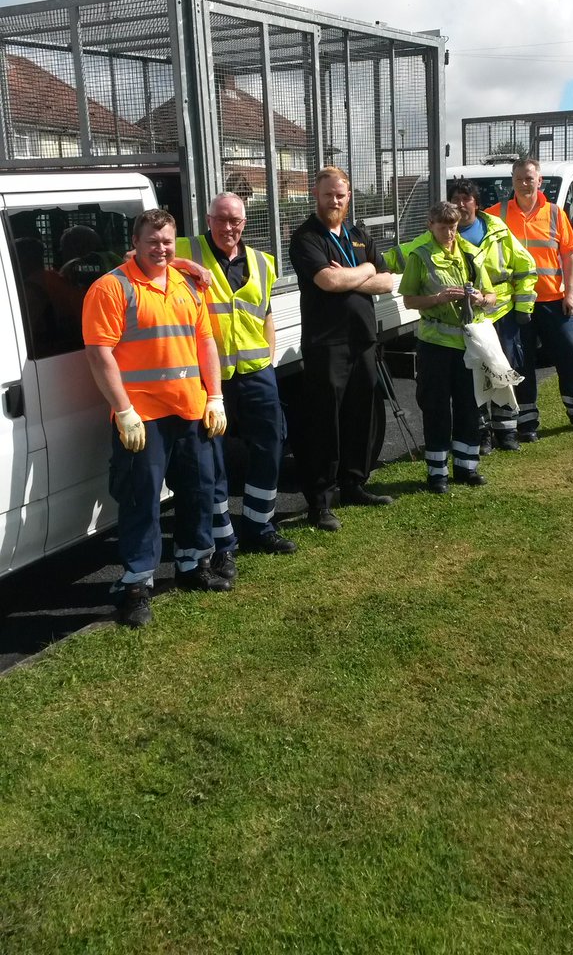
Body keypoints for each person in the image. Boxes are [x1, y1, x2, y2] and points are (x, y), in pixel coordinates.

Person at [82, 208, 230, 629]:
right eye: (153, 242)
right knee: (140, 502)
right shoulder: (112, 288)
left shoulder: (188, 283)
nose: (161, 249)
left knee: (199, 490)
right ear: (136, 241)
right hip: (142, 417)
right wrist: (123, 410)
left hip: (189, 409)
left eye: (168, 241)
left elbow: (205, 342)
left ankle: (192, 565)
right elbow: (99, 353)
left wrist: (215, 396)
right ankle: (136, 586)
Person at [173, 192, 296, 558]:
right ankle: (222, 540)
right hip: (210, 379)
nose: (230, 227)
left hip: (258, 373)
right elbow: (137, 260)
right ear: (208, 219)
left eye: (236, 221)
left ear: (245, 222)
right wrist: (187, 265)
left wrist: (269, 362)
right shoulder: (186, 250)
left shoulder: (260, 261)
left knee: (269, 447)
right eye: (222, 219)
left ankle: (260, 526)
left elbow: (266, 316)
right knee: (212, 459)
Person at [289, 166, 395, 532]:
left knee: (360, 415)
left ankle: (354, 484)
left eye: (341, 195)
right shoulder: (306, 237)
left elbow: (386, 282)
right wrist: (364, 271)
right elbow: (328, 280)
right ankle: (320, 502)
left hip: (363, 338)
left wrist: (360, 270)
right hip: (327, 344)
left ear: (349, 197)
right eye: (328, 194)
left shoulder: (359, 234)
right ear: (315, 196)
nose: (335, 200)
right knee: (324, 423)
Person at [485, 158, 573, 439]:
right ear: (512, 182)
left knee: (570, 349)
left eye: (529, 178)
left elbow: (568, 254)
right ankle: (526, 422)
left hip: (553, 299)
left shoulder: (554, 213)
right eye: (519, 179)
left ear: (539, 181)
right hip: (514, 303)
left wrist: (571, 293)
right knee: (520, 361)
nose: (524, 183)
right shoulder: (495, 214)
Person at [399, 201, 496, 492]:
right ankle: (437, 473)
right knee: (437, 407)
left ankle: (467, 467)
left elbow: (491, 295)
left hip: (468, 343)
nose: (449, 234)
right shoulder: (421, 255)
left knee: (469, 405)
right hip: (435, 344)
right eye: (443, 228)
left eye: (453, 227)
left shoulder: (470, 252)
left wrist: (480, 298)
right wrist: (438, 299)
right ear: (430, 225)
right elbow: (409, 300)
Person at [448, 177, 538, 453]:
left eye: (466, 198)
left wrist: (524, 308)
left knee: (504, 372)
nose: (461, 204)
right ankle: (482, 433)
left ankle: (506, 432)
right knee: (475, 376)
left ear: (476, 202)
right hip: (470, 319)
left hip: (503, 314)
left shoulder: (497, 229)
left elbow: (525, 265)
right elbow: (411, 252)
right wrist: (374, 258)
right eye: (456, 199)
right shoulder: (445, 234)